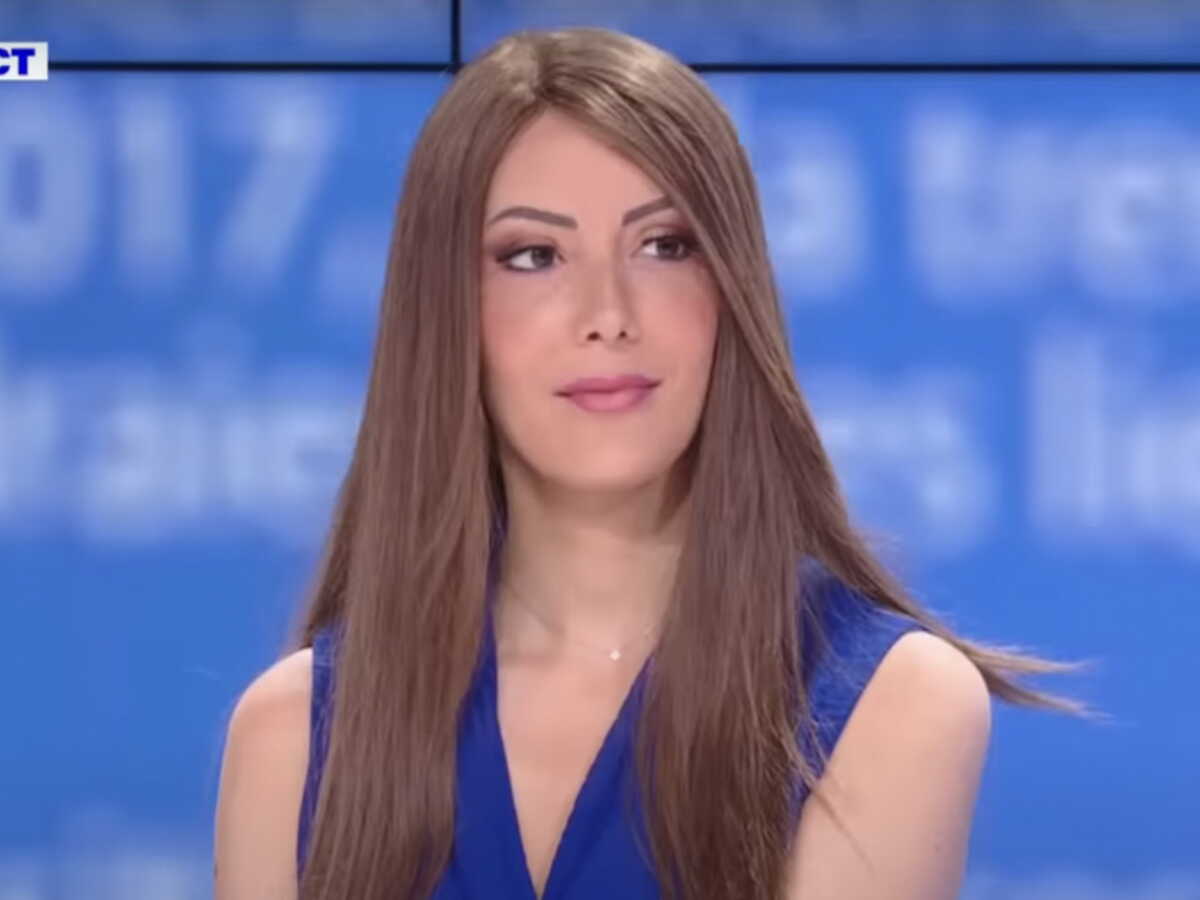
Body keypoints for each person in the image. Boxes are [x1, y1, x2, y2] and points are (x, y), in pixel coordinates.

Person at [213, 25, 1100, 900]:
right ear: (447, 312)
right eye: (534, 256)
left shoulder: (890, 704)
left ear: (732, 290)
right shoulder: (291, 737)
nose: (608, 314)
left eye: (665, 246)